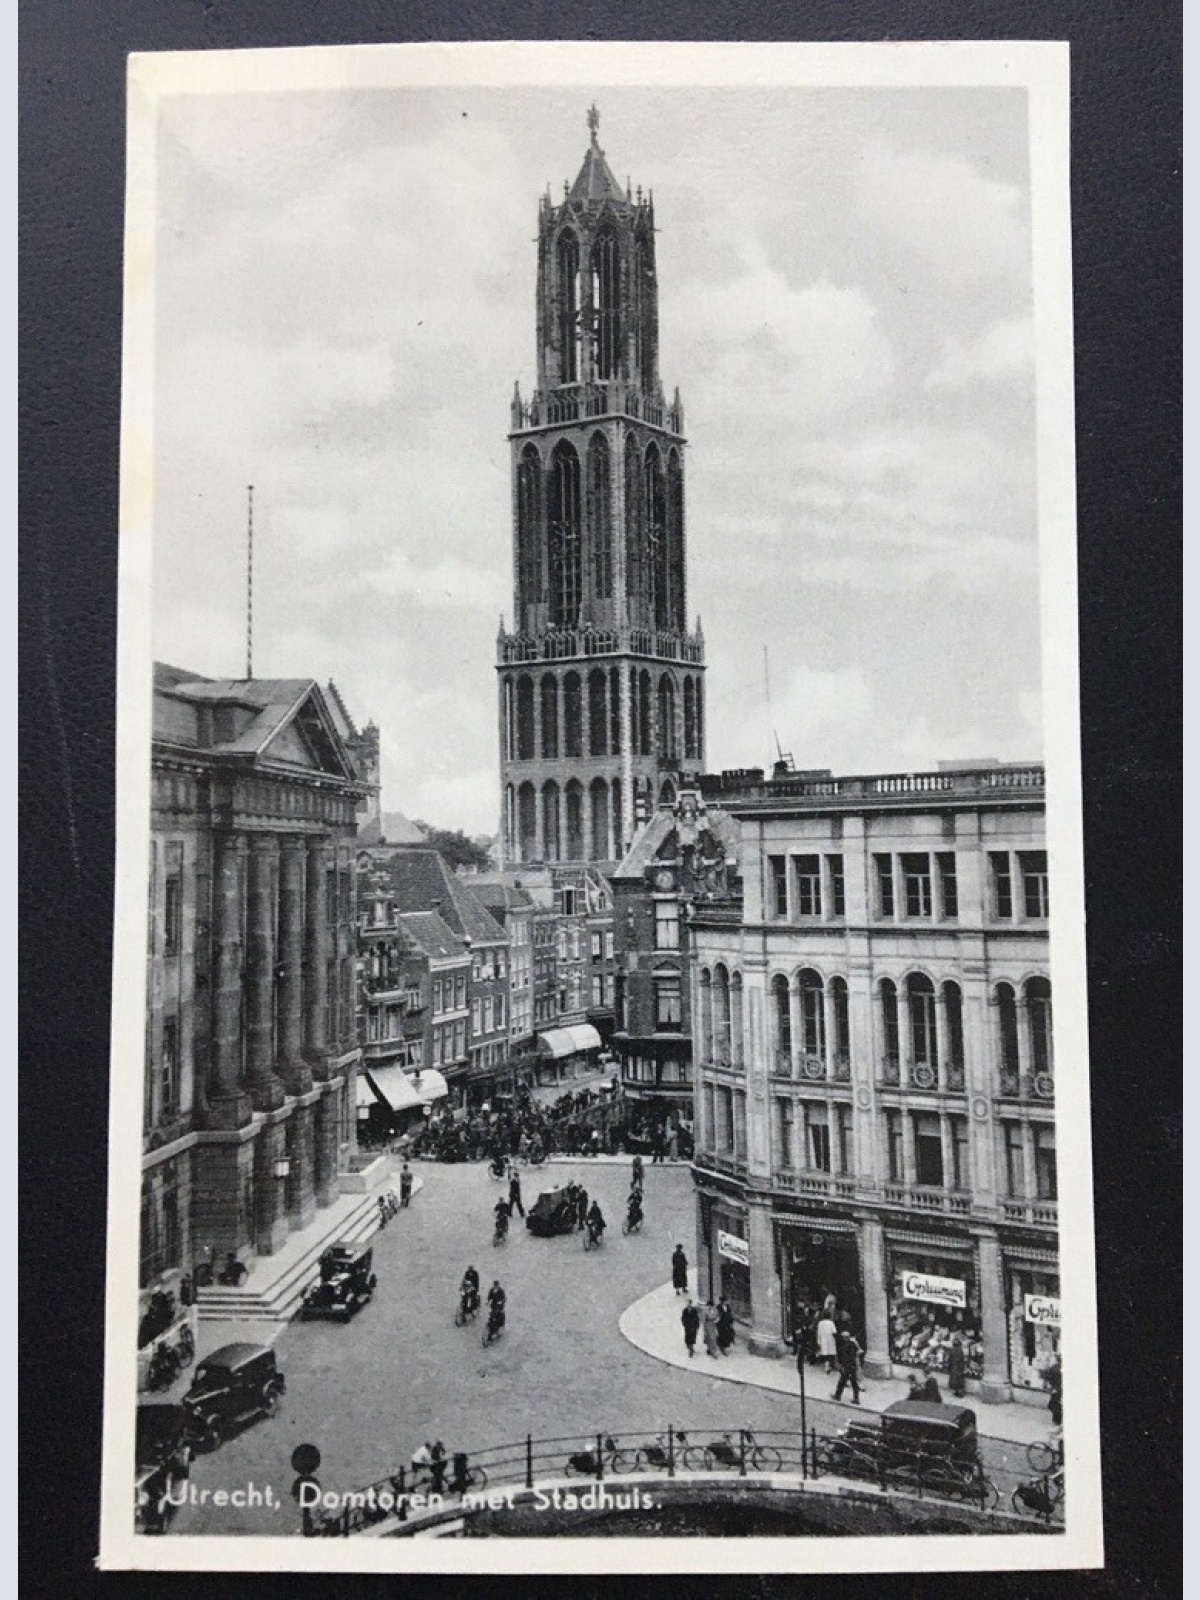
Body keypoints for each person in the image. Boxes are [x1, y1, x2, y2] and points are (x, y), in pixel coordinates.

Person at [833, 1316, 863, 1403]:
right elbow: (857, 1353)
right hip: (853, 1366)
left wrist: (842, 1366)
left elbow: (844, 1357)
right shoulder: (853, 1344)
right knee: (854, 1383)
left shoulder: (844, 1346)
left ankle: (838, 1396)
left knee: (842, 1382)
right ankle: (856, 1398)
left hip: (847, 1367)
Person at [816, 1307, 838, 1372]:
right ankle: (830, 1364)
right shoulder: (831, 1323)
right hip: (830, 1339)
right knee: (831, 1352)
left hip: (823, 1339)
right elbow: (834, 1331)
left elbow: (819, 1332)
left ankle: (826, 1364)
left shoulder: (820, 1323)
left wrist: (819, 1340)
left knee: (825, 1352)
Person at [948, 1334, 967, 1398]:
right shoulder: (960, 1350)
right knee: (959, 1381)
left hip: (954, 1367)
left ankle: (957, 1392)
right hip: (959, 1367)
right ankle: (960, 1392)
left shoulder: (952, 1350)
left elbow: (950, 1359)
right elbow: (962, 1359)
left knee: (955, 1380)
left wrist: (950, 1366)